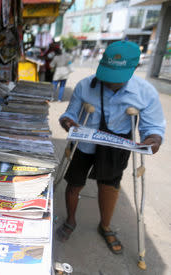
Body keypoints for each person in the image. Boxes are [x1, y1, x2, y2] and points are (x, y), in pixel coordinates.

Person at [56, 41, 165, 254]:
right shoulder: (85, 85)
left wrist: (153, 140)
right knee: (74, 183)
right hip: (85, 141)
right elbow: (69, 114)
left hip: (117, 145)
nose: (109, 83)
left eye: (117, 78)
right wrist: (68, 122)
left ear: (133, 69)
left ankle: (105, 226)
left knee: (109, 185)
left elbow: (153, 128)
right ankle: (70, 220)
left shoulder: (145, 93)